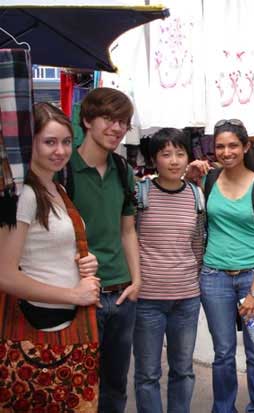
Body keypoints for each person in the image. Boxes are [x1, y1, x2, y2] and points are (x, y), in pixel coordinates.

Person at [0, 102, 101, 410]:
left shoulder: (55, 187)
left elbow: (45, 249)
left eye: (66, 142)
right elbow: (5, 274)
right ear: (30, 143)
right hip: (40, 327)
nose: (60, 151)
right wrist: (74, 292)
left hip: (63, 325)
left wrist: (84, 258)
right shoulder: (26, 195)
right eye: (49, 142)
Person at [69, 87, 140, 412]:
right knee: (77, 384)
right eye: (108, 119)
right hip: (78, 295)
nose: (116, 128)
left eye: (123, 121)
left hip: (121, 294)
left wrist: (136, 282)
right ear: (86, 119)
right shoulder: (63, 169)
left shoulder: (124, 171)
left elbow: (127, 231)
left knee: (115, 386)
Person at [200, 119, 254, 413]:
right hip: (214, 278)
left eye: (233, 145)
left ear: (246, 147)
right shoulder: (208, 181)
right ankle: (224, 408)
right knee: (222, 352)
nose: (226, 151)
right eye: (220, 146)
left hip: (253, 278)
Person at [133, 128, 205, 413]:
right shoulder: (141, 193)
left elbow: (198, 243)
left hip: (186, 299)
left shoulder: (196, 196)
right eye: (166, 154)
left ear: (188, 157)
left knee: (183, 370)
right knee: (148, 373)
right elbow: (129, 238)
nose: (174, 161)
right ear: (154, 159)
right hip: (147, 300)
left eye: (180, 153)